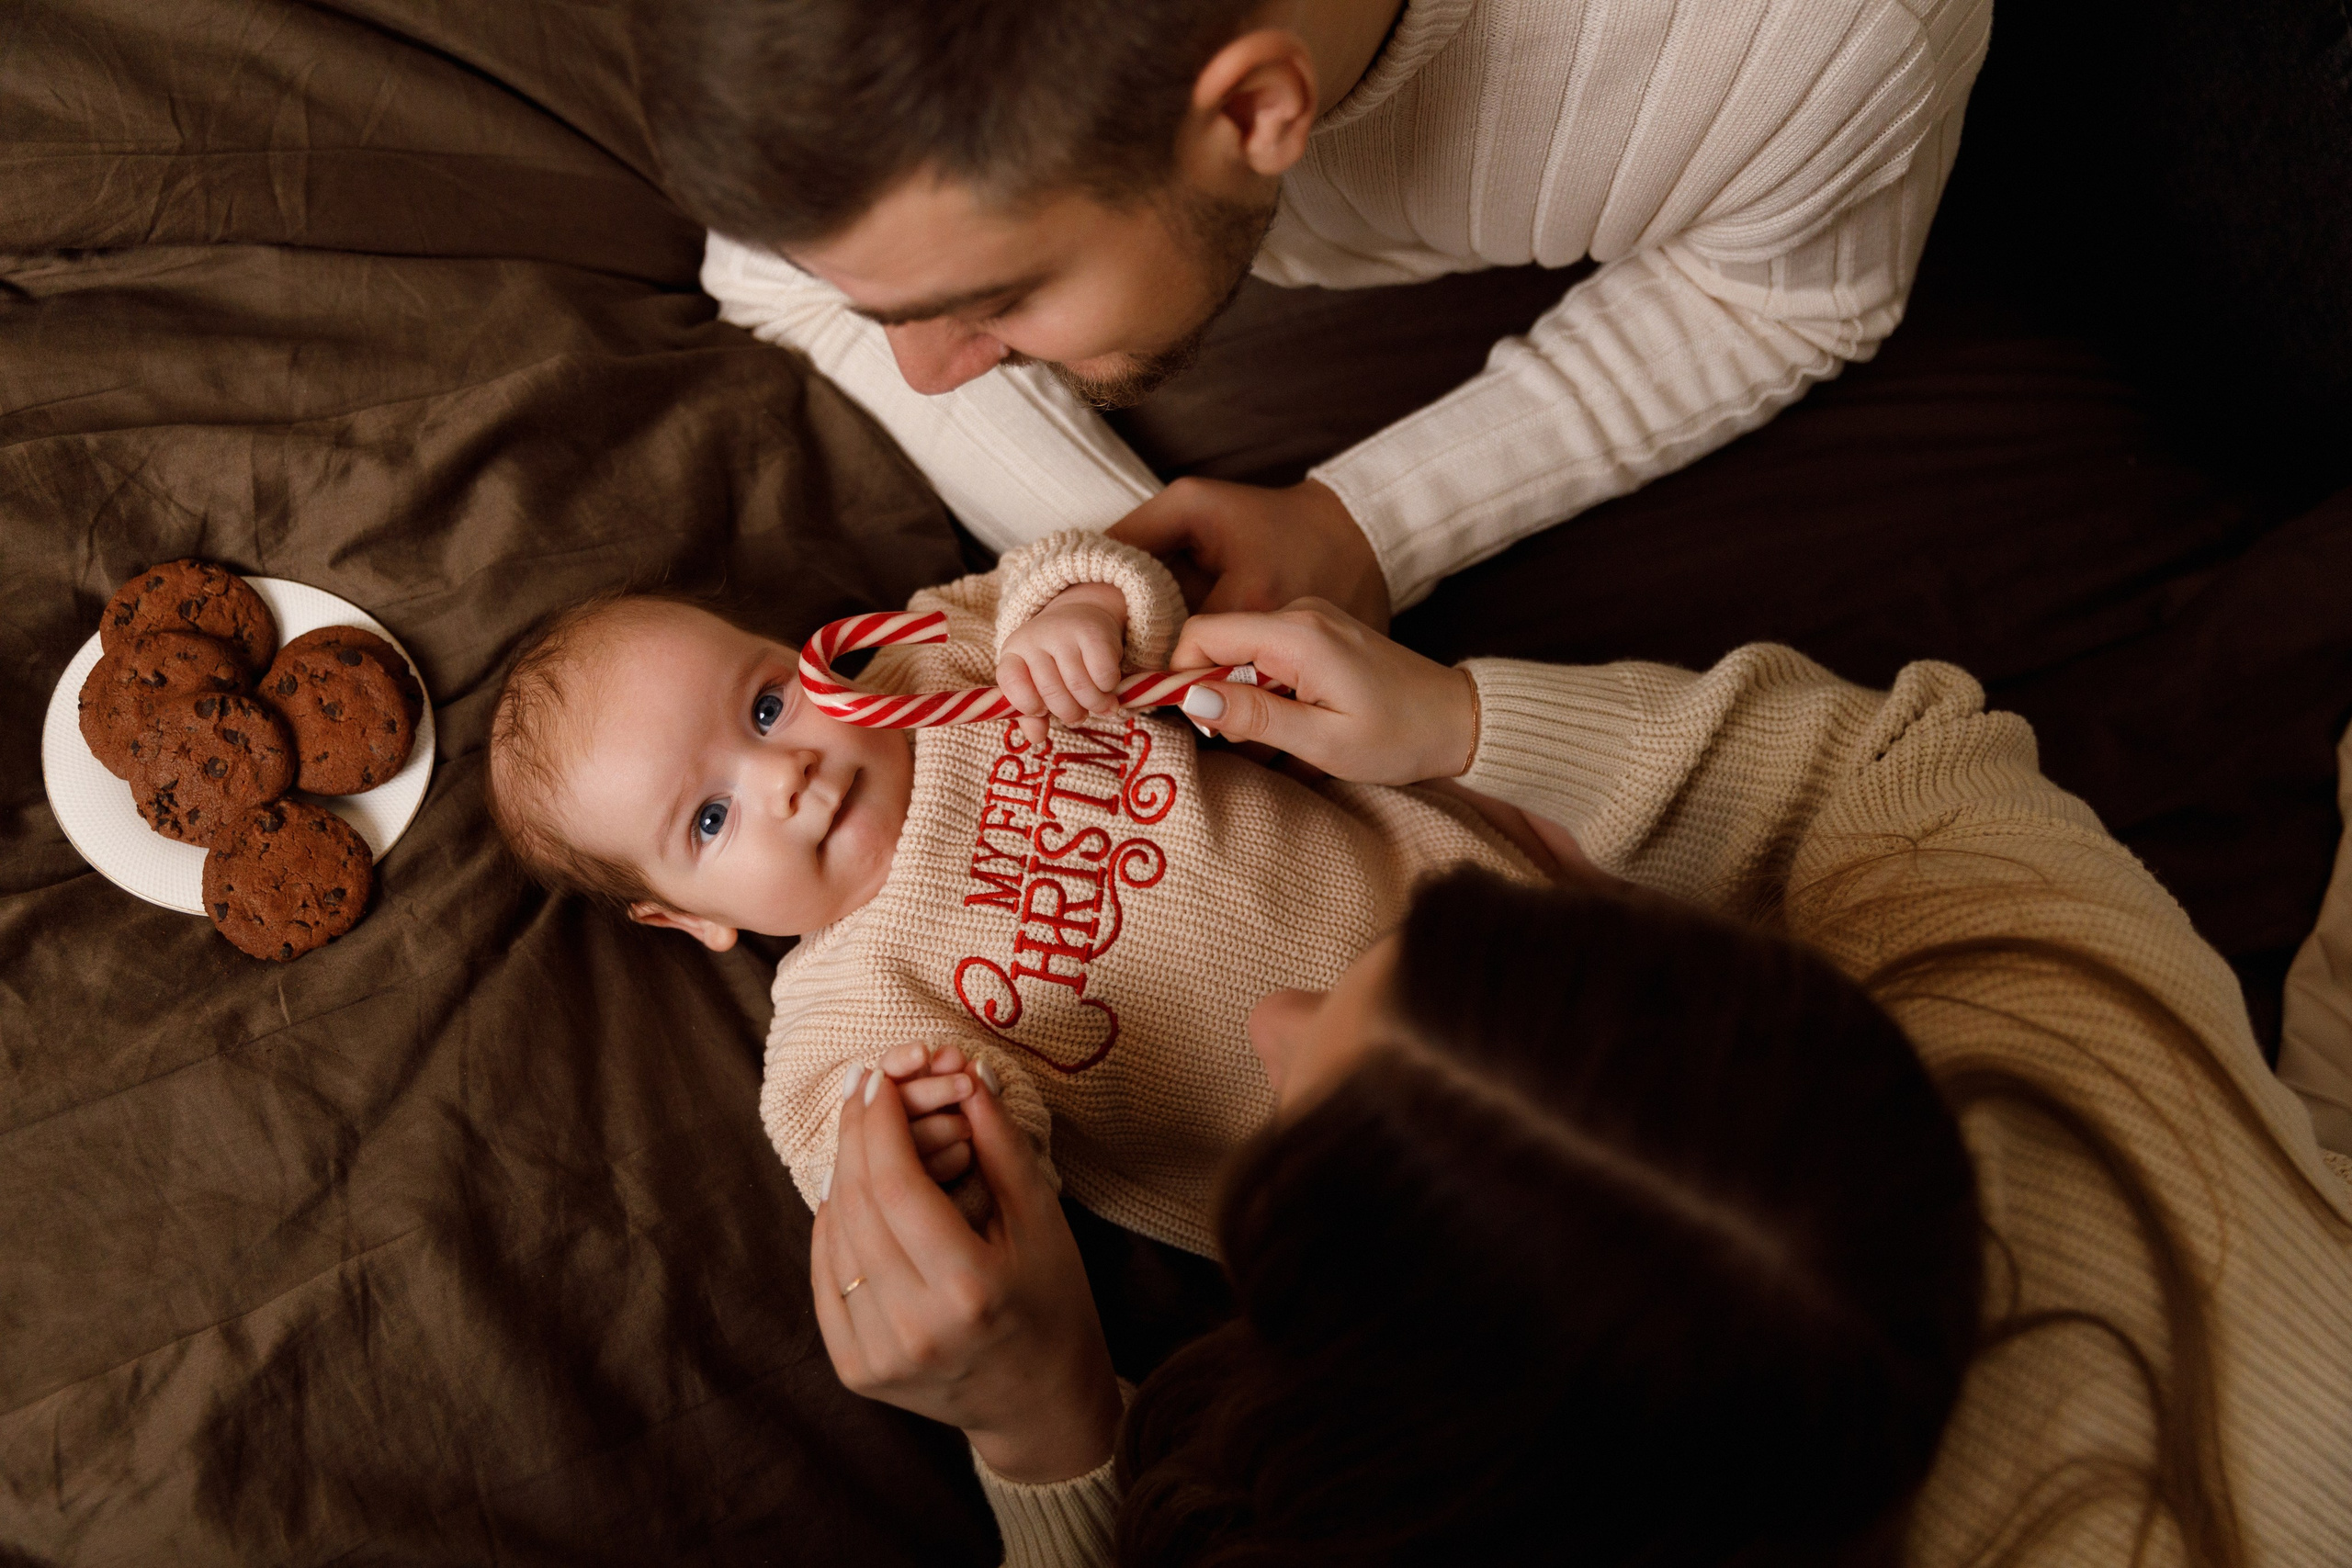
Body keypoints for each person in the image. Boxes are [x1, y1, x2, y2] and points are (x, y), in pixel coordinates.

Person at [812, 604, 2352, 1564]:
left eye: (1285, 1125)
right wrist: (1460, 720)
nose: (1265, 1015)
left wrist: (1045, 1430)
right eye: (1410, 948)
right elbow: (1893, 766)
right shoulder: (2066, 1001)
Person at [639, 0, 1993, 627]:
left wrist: (1379, 518)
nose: (931, 376)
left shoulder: (1819, 37)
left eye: (991, 301)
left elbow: (1781, 299)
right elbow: (765, 273)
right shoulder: (834, 81)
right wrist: (1117, 558)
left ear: (1253, 112)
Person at [481, 534, 1544, 1257]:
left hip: (1453, 910)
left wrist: (1073, 617)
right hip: (1353, 1174)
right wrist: (932, 1152)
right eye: (710, 821)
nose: (782, 776)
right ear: (688, 918)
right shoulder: (844, 1008)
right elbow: (847, 1157)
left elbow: (1080, 568)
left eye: (764, 706)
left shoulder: (931, 663)